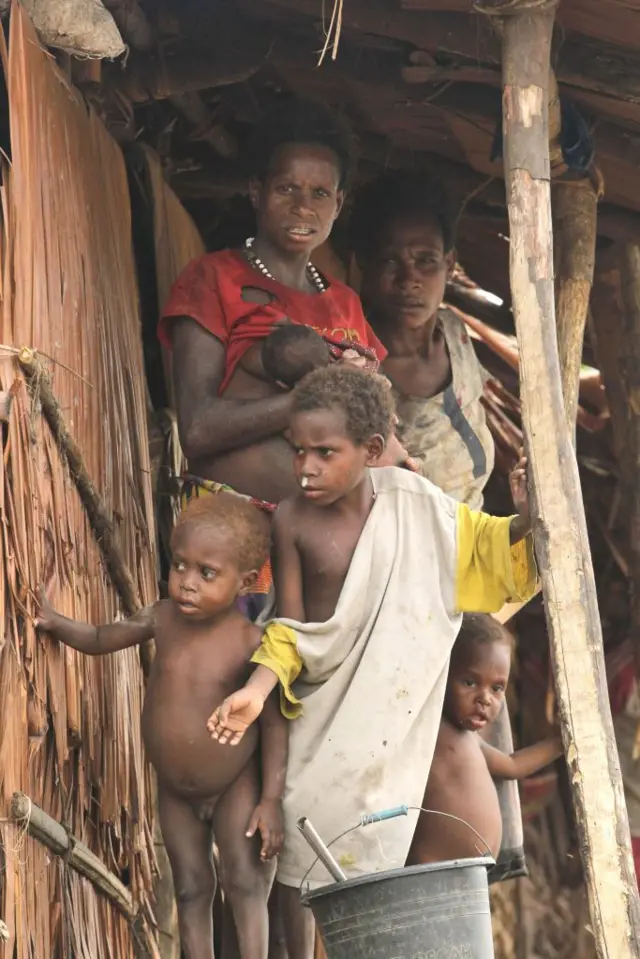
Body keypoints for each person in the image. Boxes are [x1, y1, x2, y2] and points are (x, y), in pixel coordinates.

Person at [208, 365, 538, 959]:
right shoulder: (291, 519)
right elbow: (291, 634)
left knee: (381, 887)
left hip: (389, 739)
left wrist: (531, 511)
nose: (306, 468)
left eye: (325, 453)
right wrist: (258, 691)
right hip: (316, 729)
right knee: (303, 871)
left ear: (373, 450)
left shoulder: (419, 508)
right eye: (298, 451)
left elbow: (493, 553)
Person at [158, 99, 408, 613]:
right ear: (256, 190)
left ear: (339, 203)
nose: (303, 207)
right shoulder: (215, 279)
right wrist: (305, 403)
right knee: (224, 685)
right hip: (232, 543)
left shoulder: (346, 304)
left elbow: (372, 423)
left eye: (320, 193)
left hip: (330, 550)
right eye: (287, 188)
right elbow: (198, 429)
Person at [36, 494, 287, 959]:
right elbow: (99, 637)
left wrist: (270, 800)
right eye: (180, 567)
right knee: (191, 890)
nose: (187, 583)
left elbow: (273, 727)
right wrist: (55, 622)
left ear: (245, 582)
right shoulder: (163, 618)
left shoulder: (253, 643)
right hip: (175, 790)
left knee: (245, 886)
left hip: (236, 784)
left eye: (206, 573)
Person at [350, 169, 494, 510]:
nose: (409, 279)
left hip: (472, 536)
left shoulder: (455, 335)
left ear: (449, 262)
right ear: (364, 266)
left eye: (425, 260)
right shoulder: (358, 365)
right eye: (390, 261)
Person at [406, 613, 563, 864]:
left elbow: (513, 765)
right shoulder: (432, 728)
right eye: (470, 682)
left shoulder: (470, 740)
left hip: (472, 874)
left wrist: (560, 742)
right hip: (431, 870)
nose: (485, 698)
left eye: (497, 688)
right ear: (443, 674)